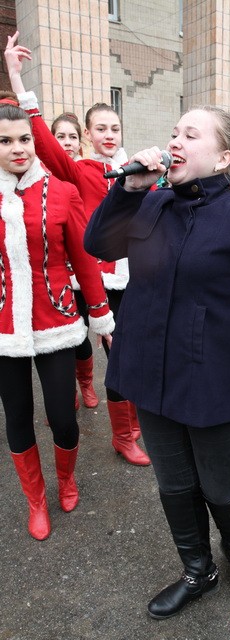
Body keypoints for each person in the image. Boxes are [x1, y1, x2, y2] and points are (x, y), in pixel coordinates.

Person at [84, 106, 230, 619]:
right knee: (174, 482)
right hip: (151, 375)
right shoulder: (153, 203)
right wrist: (127, 189)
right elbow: (97, 243)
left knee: (219, 484)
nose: (175, 140)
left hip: (215, 384)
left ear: (223, 157)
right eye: (173, 131)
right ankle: (198, 570)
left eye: (190, 134)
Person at [5, 32, 150, 465]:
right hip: (84, 279)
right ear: (88, 135)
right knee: (81, 350)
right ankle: (80, 390)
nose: (109, 134)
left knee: (123, 357)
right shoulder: (79, 171)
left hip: (128, 280)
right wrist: (16, 76)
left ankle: (124, 434)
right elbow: (43, 143)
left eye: (115, 128)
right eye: (101, 128)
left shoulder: (138, 172)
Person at [0, 94, 115, 540]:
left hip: (57, 320)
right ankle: (36, 501)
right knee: (17, 417)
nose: (18, 148)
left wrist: (103, 319)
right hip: (5, 326)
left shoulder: (62, 192)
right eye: (6, 141)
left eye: (25, 138)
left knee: (63, 417)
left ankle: (66, 479)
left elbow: (85, 263)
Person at [50, 110, 100, 409]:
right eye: (60, 137)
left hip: (79, 266)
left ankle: (86, 383)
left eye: (72, 137)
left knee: (80, 333)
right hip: (50, 270)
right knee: (55, 341)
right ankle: (64, 394)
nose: (66, 142)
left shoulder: (81, 171)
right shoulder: (35, 173)